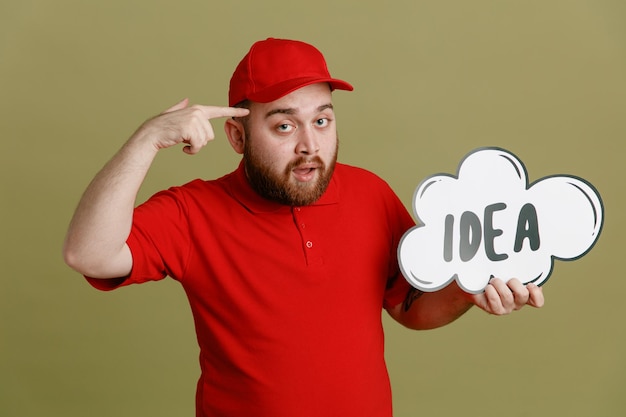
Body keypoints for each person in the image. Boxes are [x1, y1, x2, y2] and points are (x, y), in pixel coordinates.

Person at [63, 38, 544, 417]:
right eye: (284, 126)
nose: (310, 145)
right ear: (237, 135)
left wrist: (466, 291)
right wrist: (145, 140)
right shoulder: (192, 211)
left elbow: (409, 306)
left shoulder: (370, 194)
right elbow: (90, 254)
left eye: (322, 120)